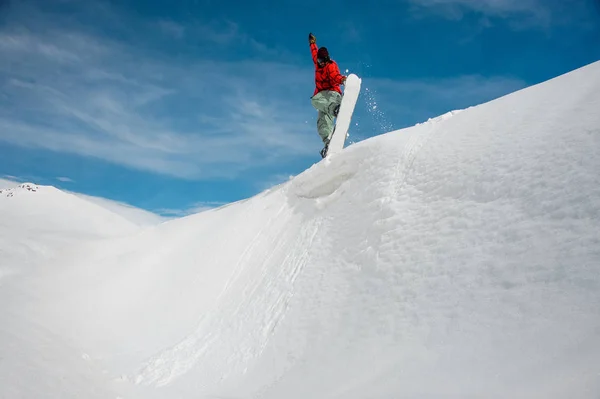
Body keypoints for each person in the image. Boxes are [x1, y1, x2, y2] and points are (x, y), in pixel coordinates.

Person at [308, 32, 346, 158]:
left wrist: (342, 80)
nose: (322, 63)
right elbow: (314, 52)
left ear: (327, 59)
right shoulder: (317, 62)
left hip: (333, 94)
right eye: (320, 61)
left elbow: (335, 76)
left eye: (324, 61)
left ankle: (335, 108)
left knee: (315, 100)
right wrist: (312, 43)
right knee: (322, 123)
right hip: (323, 99)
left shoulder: (331, 65)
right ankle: (329, 143)